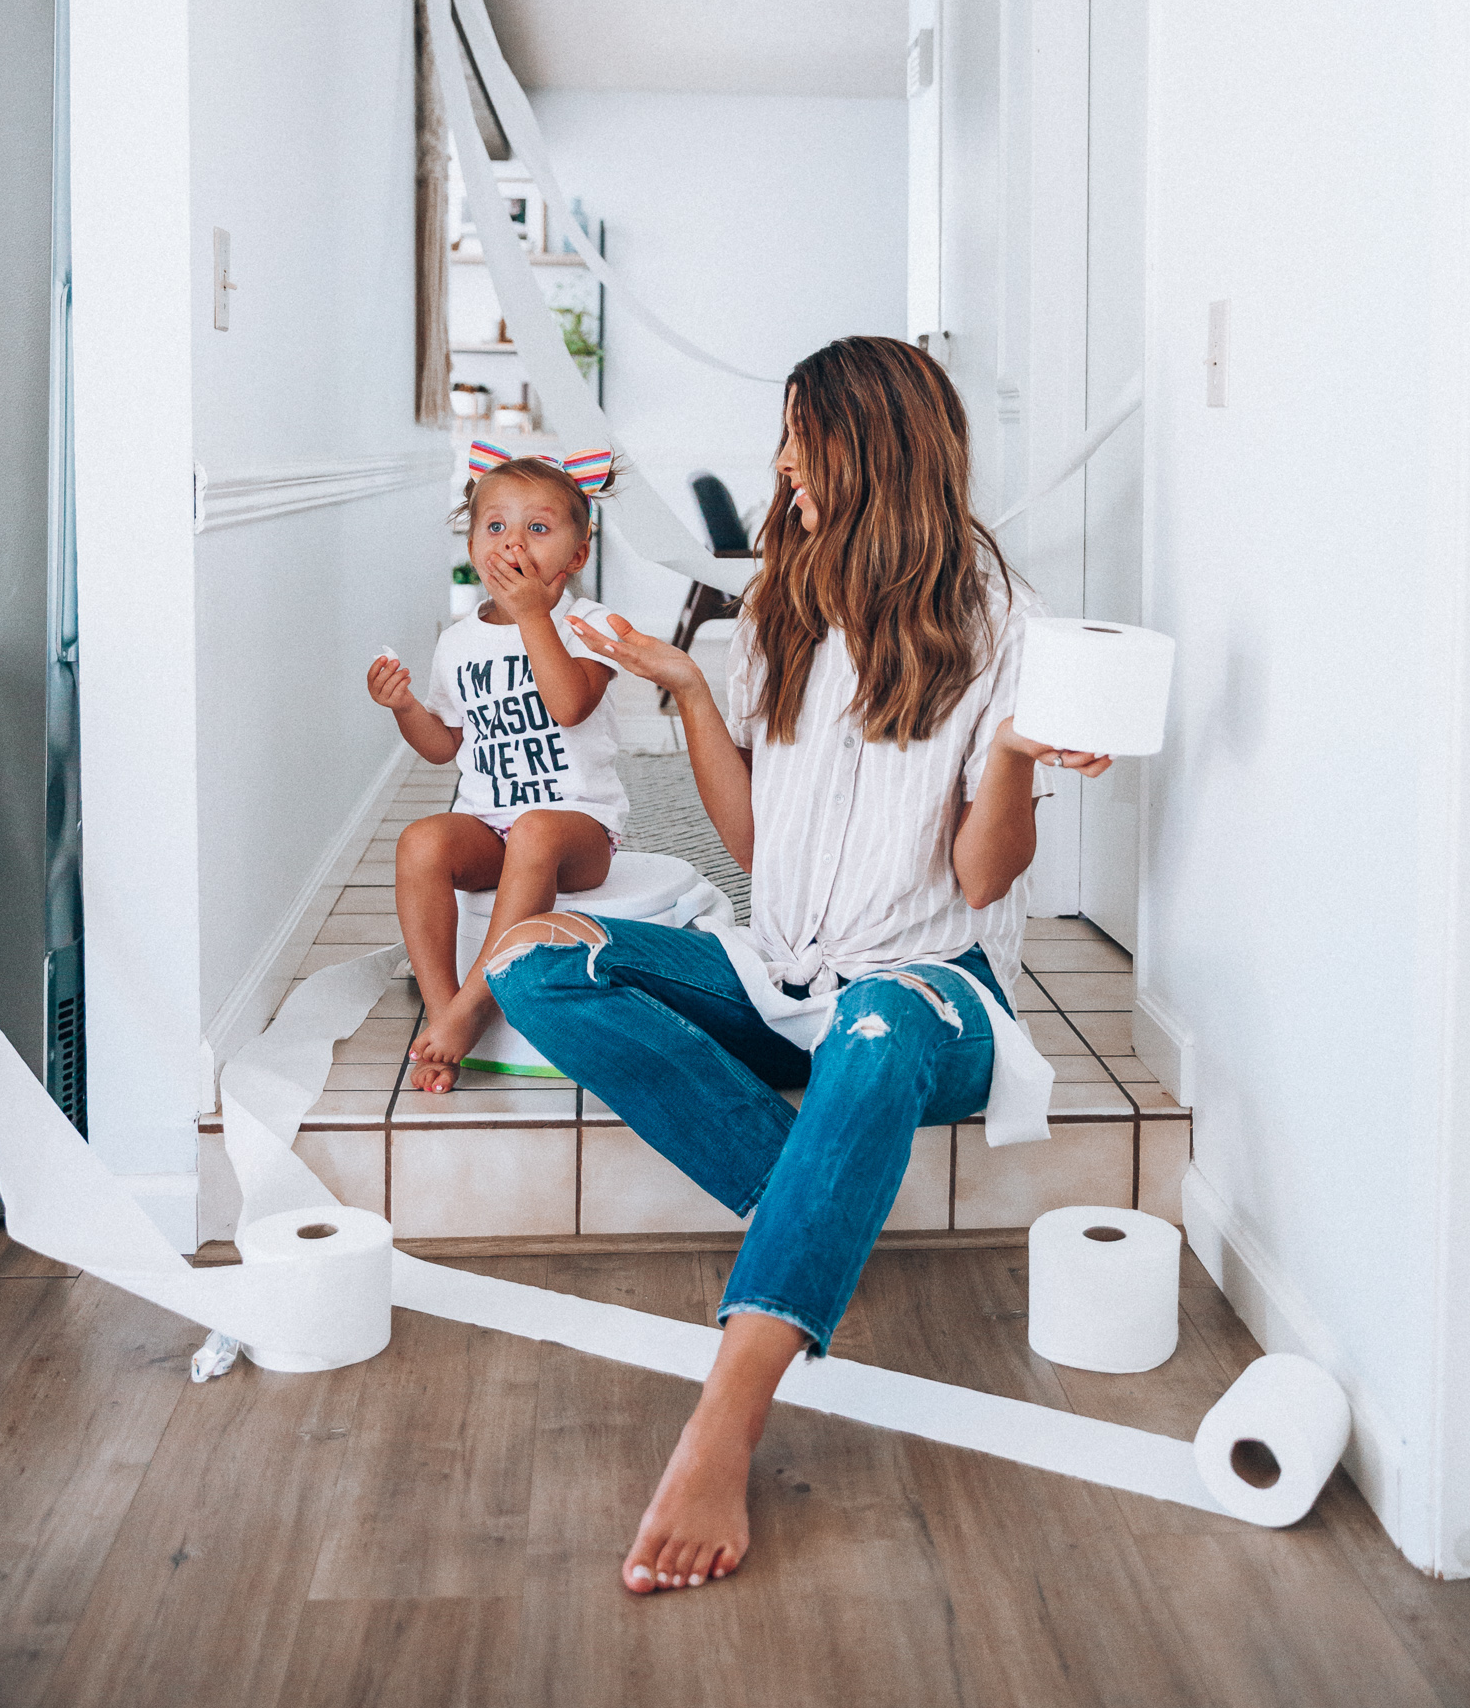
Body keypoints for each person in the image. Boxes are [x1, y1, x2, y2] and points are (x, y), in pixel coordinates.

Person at [482, 337, 1112, 1593]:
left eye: (799, 436)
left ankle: (728, 1415)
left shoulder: (1003, 621)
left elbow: (983, 884)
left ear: (877, 445)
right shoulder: (785, 599)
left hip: (928, 992)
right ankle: (811, 1213)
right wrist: (691, 696)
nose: (779, 463)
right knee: (531, 961)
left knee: (875, 1025)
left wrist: (1020, 758)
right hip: (784, 967)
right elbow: (757, 844)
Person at [366, 446, 625, 1091]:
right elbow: (442, 745)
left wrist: (536, 615)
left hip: (578, 832)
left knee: (536, 829)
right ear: (475, 542)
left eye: (538, 529)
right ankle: (441, 1003)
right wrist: (402, 707)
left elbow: (568, 706)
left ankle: (475, 1010)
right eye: (496, 526)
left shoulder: (593, 625)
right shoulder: (458, 641)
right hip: (487, 826)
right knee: (420, 841)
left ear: (578, 555)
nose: (514, 543)